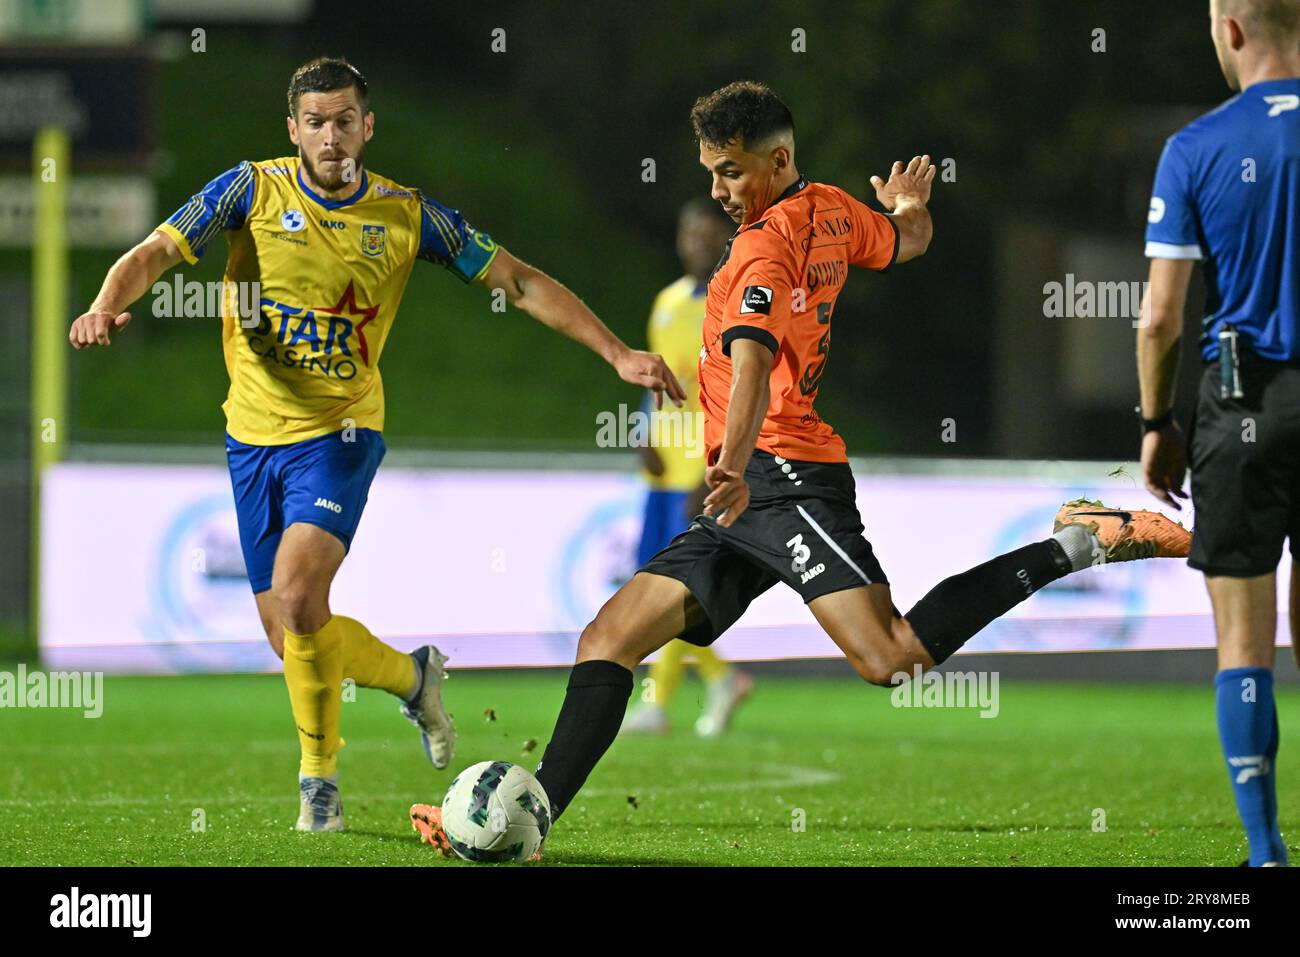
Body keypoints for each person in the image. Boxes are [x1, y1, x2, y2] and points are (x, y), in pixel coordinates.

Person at [412, 80, 1188, 858]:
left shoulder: (765, 245)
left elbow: (751, 366)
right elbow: (905, 242)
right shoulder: (837, 209)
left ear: (778, 160)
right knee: (608, 636)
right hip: (743, 491)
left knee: (891, 658)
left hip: (783, 477)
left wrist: (739, 464)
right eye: (711, 171)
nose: (717, 190)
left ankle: (1085, 540)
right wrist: (910, 208)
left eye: (731, 171)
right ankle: (532, 813)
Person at [69, 56, 684, 833]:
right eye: (316, 122)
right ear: (292, 129)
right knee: (290, 632)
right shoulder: (249, 189)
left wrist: (618, 353)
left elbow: (519, 282)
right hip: (251, 434)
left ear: (367, 125)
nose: (331, 136)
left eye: (345, 120)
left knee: (298, 596)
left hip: (342, 432)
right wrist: (102, 304)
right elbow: (156, 251)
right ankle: (411, 675)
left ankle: (317, 784)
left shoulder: (408, 214)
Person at [1138, 0, 1299, 866]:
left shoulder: (1197, 145)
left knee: (1245, 642)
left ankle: (1267, 853)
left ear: (1230, 29)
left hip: (1243, 409)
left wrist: (1156, 421)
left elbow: (1160, 317)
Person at [621, 198, 753, 739]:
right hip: (662, 468)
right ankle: (721, 679)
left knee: (677, 587)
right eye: (689, 234)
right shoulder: (667, 302)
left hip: (702, 466)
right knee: (653, 582)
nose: (697, 243)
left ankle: (660, 701)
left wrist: (717, 466)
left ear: (726, 238)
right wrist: (641, 433)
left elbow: (738, 389)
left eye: (707, 234)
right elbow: (657, 379)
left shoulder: (734, 302)